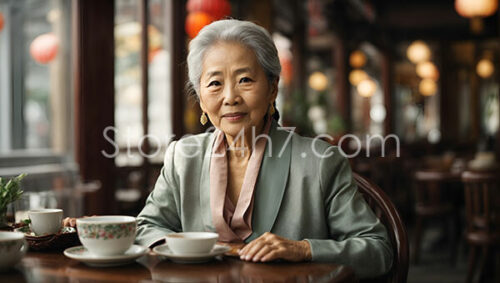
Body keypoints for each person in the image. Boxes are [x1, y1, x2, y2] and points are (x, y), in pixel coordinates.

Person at [64, 19, 393, 279]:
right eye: (215, 83)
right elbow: (148, 227)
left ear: (272, 88)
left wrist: (304, 249)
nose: (230, 97)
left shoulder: (319, 162)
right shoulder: (183, 157)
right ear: (201, 99)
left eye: (245, 80)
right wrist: (193, 246)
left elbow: (378, 251)